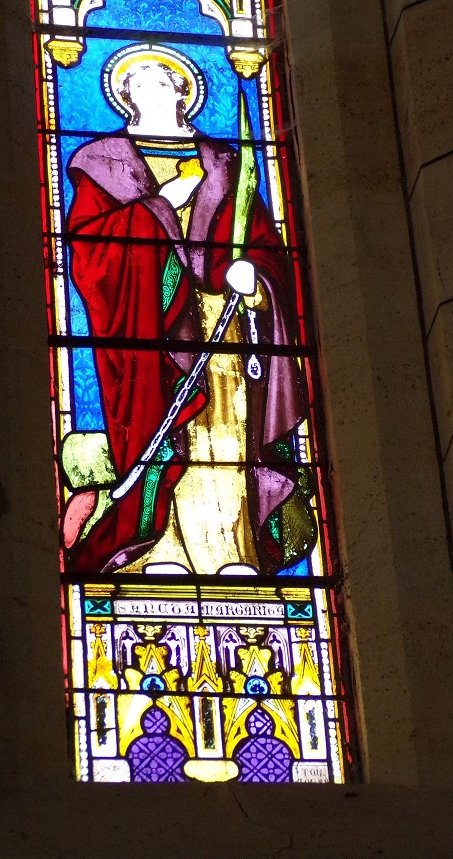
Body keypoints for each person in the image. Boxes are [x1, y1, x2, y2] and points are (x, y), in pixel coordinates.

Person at [63, 50, 312, 575]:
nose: (156, 88)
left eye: (166, 81)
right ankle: (164, 550)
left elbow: (261, 242)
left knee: (226, 434)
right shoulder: (101, 163)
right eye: (141, 82)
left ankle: (231, 550)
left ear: (184, 92)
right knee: (170, 431)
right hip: (149, 330)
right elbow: (89, 254)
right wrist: (157, 208)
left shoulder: (225, 163)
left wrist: (255, 276)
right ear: (125, 97)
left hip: (224, 329)